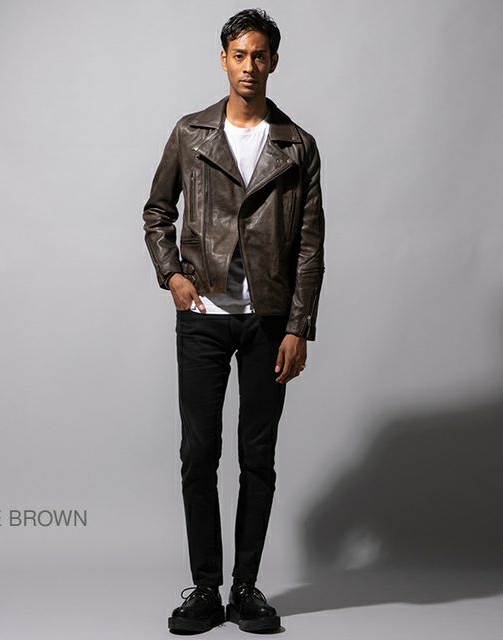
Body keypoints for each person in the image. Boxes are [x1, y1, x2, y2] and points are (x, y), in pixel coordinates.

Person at [142, 8, 325, 634]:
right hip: (204, 317)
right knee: (198, 454)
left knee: (257, 456)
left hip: (268, 322)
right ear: (223, 59)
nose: (249, 66)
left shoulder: (297, 145)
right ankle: (205, 588)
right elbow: (157, 211)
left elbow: (309, 244)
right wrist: (173, 275)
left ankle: (245, 588)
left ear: (274, 62)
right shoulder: (191, 133)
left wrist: (298, 326)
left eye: (260, 56)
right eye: (239, 55)